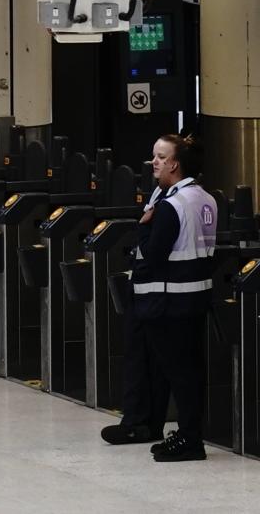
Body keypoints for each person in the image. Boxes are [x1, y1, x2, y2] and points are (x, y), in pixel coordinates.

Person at [100, 133, 217, 461]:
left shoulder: (170, 206)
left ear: (175, 164)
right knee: (188, 371)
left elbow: (152, 254)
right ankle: (183, 434)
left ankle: (190, 440)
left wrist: (145, 225)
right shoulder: (204, 198)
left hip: (167, 301)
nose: (155, 162)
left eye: (161, 157)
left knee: (180, 374)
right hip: (193, 299)